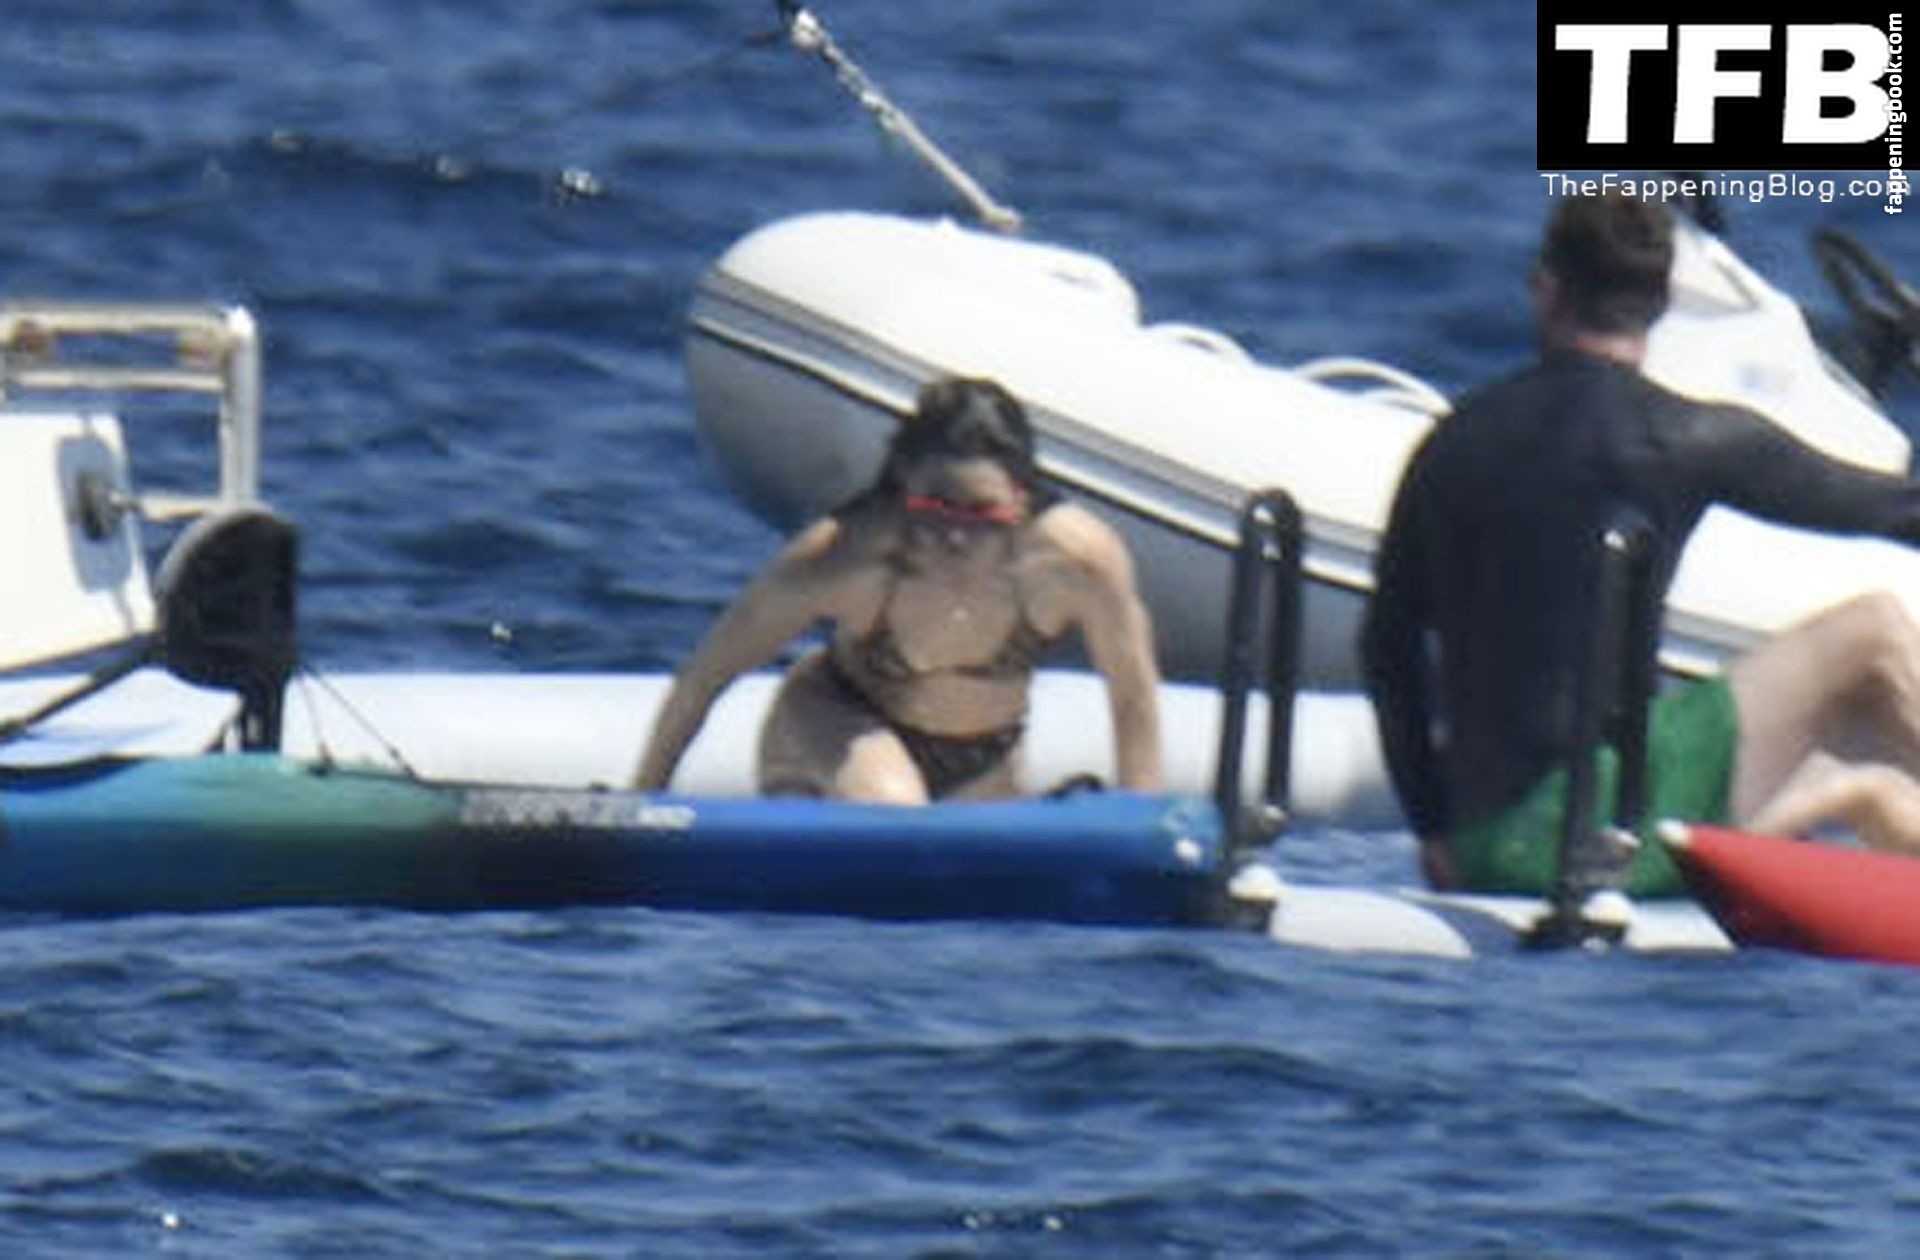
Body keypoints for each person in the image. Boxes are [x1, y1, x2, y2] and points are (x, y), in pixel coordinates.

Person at [1362, 192, 1920, 896]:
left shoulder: (1451, 441)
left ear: (1546, 288)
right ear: (1662, 306)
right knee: (1873, 633)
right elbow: (1891, 509)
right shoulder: (1682, 436)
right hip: (1602, 831)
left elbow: (1385, 651)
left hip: (1479, 842)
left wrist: (1434, 831)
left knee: (1864, 781)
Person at [634, 375, 1162, 802]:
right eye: (935, 508)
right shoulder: (846, 557)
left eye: (981, 514)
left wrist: (1148, 830)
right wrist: (643, 799)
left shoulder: (1076, 564)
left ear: (1021, 500)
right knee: (892, 806)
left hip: (988, 754)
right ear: (904, 484)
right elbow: (705, 677)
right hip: (832, 727)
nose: (955, 537)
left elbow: (1132, 695)